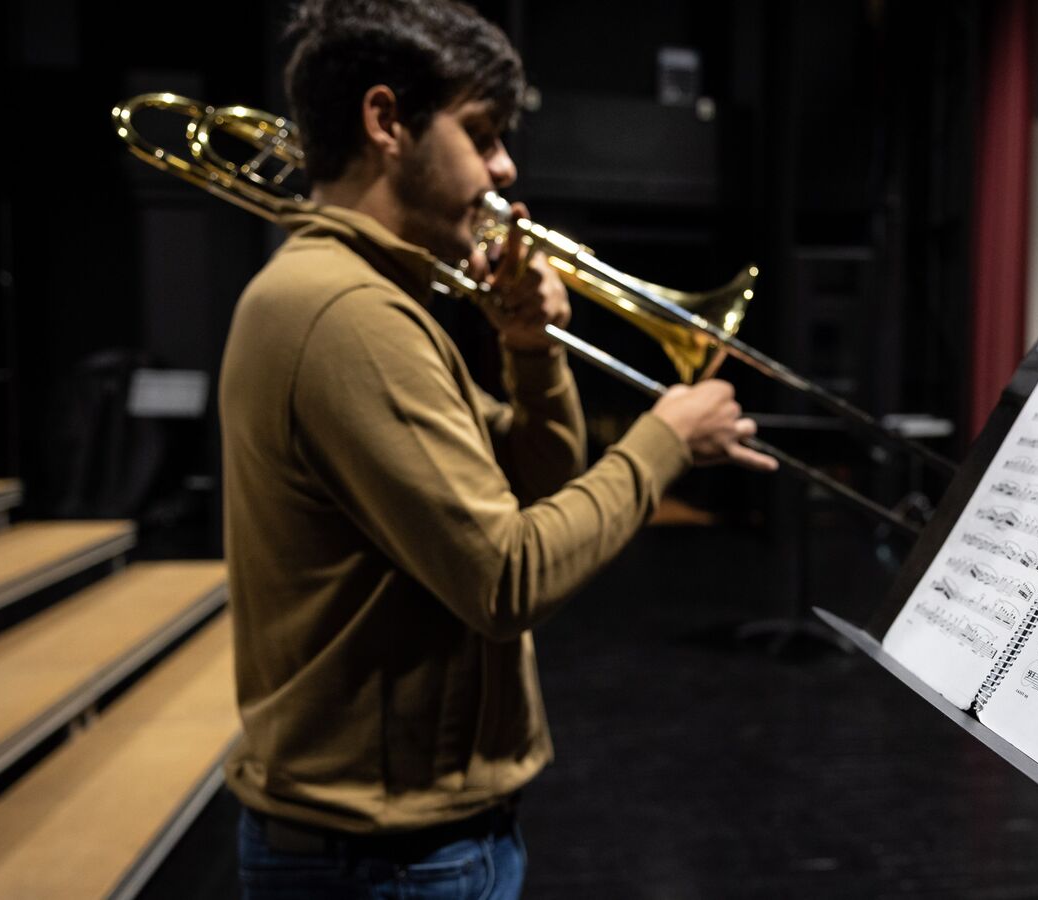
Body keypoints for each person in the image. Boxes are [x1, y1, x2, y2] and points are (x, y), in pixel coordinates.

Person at [218, 0, 774, 896]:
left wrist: (531, 351)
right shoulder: (348, 315)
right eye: (482, 134)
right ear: (385, 121)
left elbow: (529, 480)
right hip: (386, 859)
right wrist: (663, 442)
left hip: (409, 841)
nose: (505, 167)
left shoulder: (371, 300)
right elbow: (507, 577)